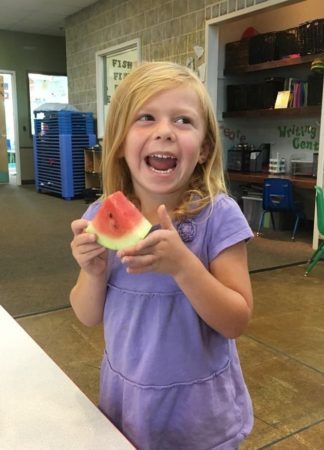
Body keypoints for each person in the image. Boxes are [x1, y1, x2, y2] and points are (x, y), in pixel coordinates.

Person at [70, 61, 254, 450]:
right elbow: (87, 316)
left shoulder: (219, 216)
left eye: (183, 120)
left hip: (199, 416)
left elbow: (236, 320)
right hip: (129, 404)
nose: (165, 131)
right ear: (120, 142)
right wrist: (93, 270)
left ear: (203, 149)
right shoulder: (99, 215)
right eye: (146, 117)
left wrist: (184, 267)